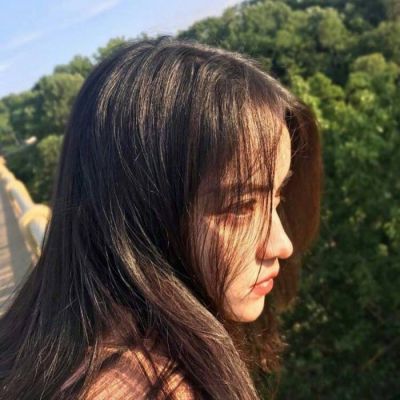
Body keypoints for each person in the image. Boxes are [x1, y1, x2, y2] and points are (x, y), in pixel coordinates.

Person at [0, 36, 322, 399]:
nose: (282, 244)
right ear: (140, 215)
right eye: (240, 207)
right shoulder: (150, 388)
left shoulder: (47, 345)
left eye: (276, 197)